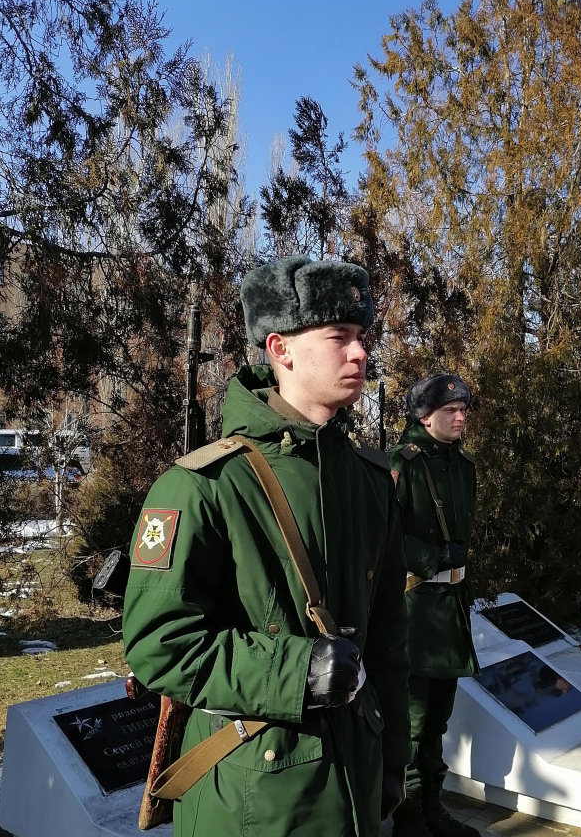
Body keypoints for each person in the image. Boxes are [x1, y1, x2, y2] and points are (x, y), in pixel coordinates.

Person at [122, 256, 410, 837]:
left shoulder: (371, 481)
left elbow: (386, 642)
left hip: (357, 774)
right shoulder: (203, 484)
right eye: (338, 338)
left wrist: (394, 760)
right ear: (280, 348)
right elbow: (159, 644)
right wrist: (296, 671)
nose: (359, 354)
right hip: (253, 795)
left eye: (360, 337)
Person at [388, 375, 479, 837]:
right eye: (450, 410)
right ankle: (408, 817)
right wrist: (431, 557)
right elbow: (379, 536)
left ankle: (432, 806)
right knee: (413, 720)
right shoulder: (399, 465)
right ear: (425, 417)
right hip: (415, 609)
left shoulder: (463, 467)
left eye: (464, 409)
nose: (461, 416)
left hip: (451, 607)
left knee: (439, 718)